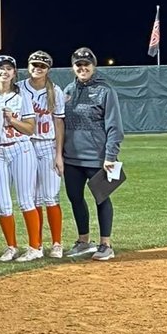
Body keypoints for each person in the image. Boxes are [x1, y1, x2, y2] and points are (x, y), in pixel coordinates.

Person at [0, 55, 42, 263]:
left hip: (21, 149)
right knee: (2, 204)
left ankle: (35, 247)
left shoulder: (22, 97)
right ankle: (11, 247)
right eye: (1, 68)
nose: (4, 71)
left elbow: (30, 129)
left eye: (9, 68)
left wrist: (12, 120)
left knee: (25, 200)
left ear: (14, 73)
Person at [62, 47, 124, 262]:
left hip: (98, 157)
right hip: (71, 157)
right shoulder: (68, 90)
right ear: (73, 67)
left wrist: (110, 156)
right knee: (75, 198)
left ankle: (106, 244)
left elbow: (114, 126)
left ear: (93, 66)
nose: (82, 68)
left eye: (86, 64)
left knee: (102, 198)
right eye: (78, 64)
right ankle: (83, 241)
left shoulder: (105, 91)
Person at [20, 50, 66, 259]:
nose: (38, 68)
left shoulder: (54, 91)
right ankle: (36, 244)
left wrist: (58, 154)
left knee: (51, 196)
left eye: (42, 66)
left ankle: (57, 243)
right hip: (26, 145)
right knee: (32, 197)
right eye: (35, 65)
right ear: (29, 66)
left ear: (48, 69)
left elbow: (59, 122)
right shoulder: (19, 88)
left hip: (47, 144)